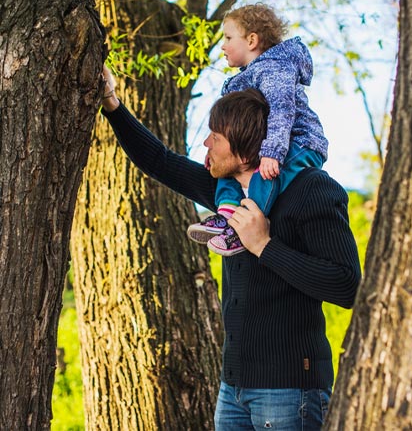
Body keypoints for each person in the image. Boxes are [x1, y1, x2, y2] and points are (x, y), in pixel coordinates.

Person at [100, 68, 361, 430]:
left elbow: (347, 285)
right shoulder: (227, 193)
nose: (206, 144)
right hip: (233, 390)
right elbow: (159, 160)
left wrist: (264, 246)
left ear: (243, 149)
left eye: (215, 137)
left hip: (290, 392)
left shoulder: (312, 189)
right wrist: (112, 104)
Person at [187, 4, 329, 257]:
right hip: (268, 146)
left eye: (229, 38)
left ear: (252, 40)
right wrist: (216, 153)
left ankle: (246, 227)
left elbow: (282, 111)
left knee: (265, 176)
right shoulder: (244, 79)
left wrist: (272, 152)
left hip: (299, 142)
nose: (223, 45)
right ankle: (227, 214)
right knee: (227, 171)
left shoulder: (274, 68)